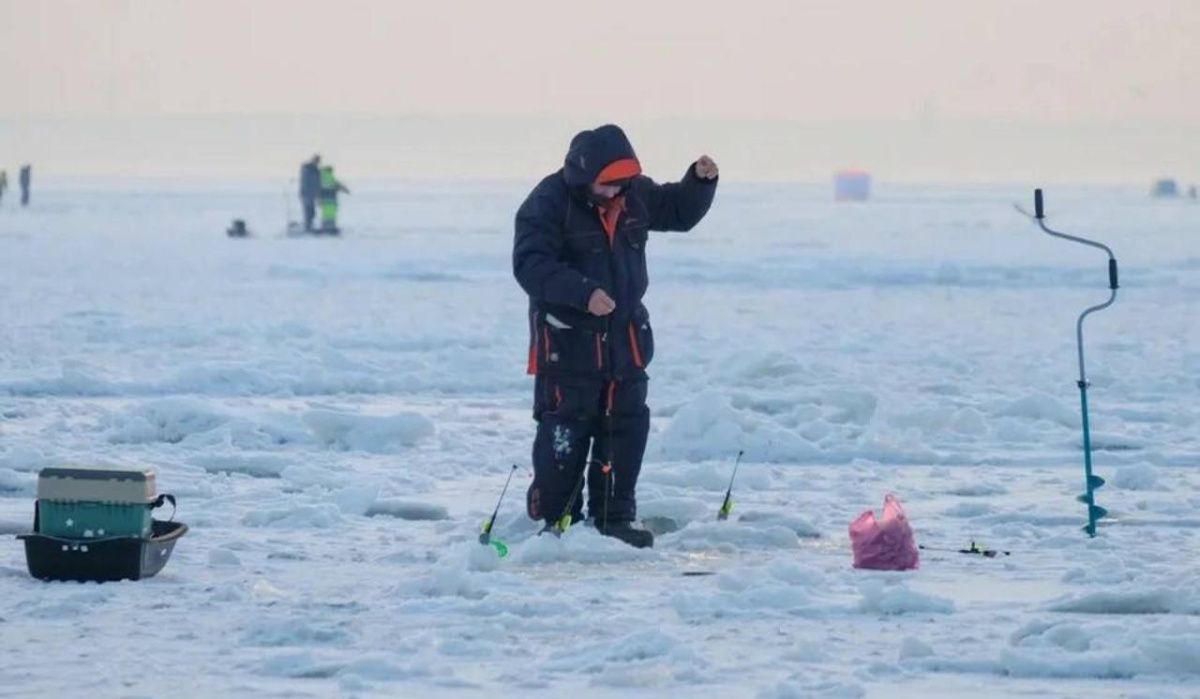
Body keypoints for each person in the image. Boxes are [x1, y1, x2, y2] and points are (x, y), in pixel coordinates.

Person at [512, 124, 718, 548]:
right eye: (608, 186)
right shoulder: (547, 203)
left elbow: (677, 212)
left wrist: (699, 182)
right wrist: (583, 294)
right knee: (565, 431)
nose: (617, 194)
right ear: (584, 177)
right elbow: (530, 264)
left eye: (622, 184)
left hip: (626, 339)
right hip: (568, 344)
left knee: (624, 427)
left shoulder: (634, 194)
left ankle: (615, 517)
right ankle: (556, 517)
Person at [317, 164, 349, 233]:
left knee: (325, 214)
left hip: (324, 200)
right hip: (331, 200)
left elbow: (318, 190)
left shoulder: (321, 179)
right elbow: (338, 186)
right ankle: (330, 227)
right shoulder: (331, 178)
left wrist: (319, 200)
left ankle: (325, 227)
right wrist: (345, 190)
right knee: (331, 215)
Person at [299, 155, 321, 231]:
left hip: (312, 194)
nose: (317, 162)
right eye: (317, 160)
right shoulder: (308, 169)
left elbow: (317, 183)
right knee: (308, 211)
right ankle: (308, 227)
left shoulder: (316, 171)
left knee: (312, 211)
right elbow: (307, 182)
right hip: (306, 193)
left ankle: (309, 226)